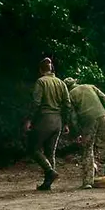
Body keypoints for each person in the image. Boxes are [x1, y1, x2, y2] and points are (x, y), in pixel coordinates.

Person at [65, 77, 105, 189]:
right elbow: (104, 98)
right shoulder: (90, 87)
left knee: (87, 149)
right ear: (75, 83)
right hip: (102, 116)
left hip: (87, 121)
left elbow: (73, 116)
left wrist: (77, 133)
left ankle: (88, 181)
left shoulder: (70, 95)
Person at [26, 58, 71, 191]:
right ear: (52, 69)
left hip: (44, 119)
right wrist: (66, 123)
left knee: (33, 149)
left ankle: (50, 171)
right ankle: (47, 183)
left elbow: (36, 103)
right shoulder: (61, 83)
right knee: (50, 152)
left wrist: (30, 120)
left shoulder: (41, 82)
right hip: (58, 121)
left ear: (41, 70)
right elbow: (67, 104)